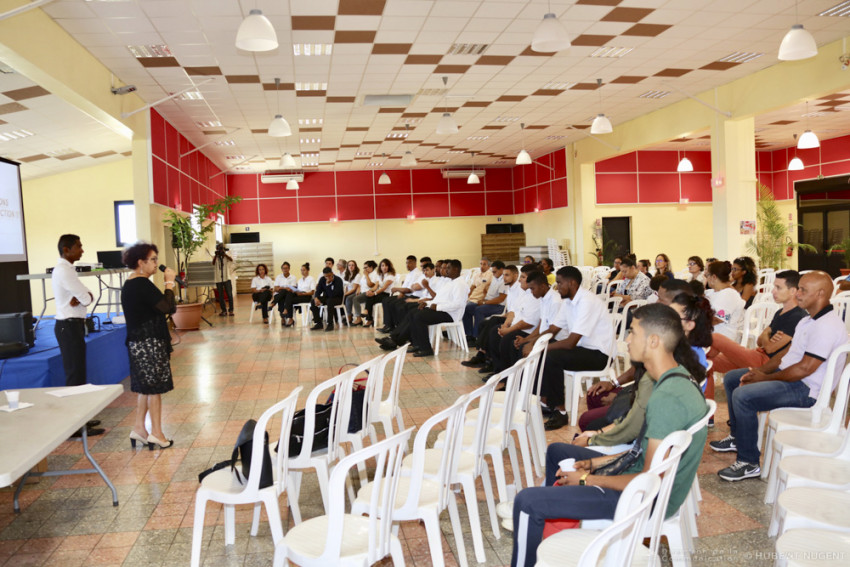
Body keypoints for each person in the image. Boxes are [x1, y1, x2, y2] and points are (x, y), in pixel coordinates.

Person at [510, 303, 708, 567]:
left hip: (640, 501)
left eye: (632, 332)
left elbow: (648, 479)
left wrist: (585, 479)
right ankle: (558, 517)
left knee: (527, 502)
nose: (626, 339)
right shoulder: (678, 379)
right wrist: (595, 463)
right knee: (558, 452)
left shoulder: (667, 398)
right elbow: (645, 452)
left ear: (653, 341)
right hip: (643, 489)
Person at [711, 271, 848, 481]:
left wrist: (764, 379)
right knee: (732, 378)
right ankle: (739, 438)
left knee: (743, 396)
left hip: (807, 390)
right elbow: (785, 356)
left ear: (820, 293)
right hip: (793, 378)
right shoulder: (808, 320)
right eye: (798, 288)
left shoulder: (826, 326)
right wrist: (762, 371)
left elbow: (804, 369)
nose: (798, 294)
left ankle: (749, 462)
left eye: (803, 290)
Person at [537, 266, 616, 430]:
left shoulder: (587, 301)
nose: (557, 287)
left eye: (559, 283)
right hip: (583, 350)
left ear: (572, 283)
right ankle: (546, 401)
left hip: (600, 355)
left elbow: (571, 342)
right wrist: (533, 342)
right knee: (543, 351)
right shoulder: (568, 302)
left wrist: (542, 347)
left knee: (551, 356)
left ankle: (560, 412)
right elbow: (553, 329)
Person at [122, 242, 177, 450]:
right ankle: (157, 433)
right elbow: (167, 307)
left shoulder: (132, 283)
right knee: (153, 389)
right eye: (152, 260)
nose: (156, 264)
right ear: (140, 262)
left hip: (140, 342)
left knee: (146, 388)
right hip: (148, 343)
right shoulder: (141, 284)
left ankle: (139, 429)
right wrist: (169, 284)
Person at [52, 234, 103, 437]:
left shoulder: (68, 270)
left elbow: (85, 297)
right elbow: (87, 297)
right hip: (68, 326)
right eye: (78, 247)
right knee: (74, 375)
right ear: (66, 249)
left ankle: (82, 418)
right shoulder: (64, 271)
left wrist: (83, 296)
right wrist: (84, 296)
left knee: (79, 373)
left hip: (72, 326)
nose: (82, 250)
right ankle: (75, 427)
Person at [707, 270, 805, 375]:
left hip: (764, 361)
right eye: (774, 287)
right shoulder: (779, 312)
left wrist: (766, 334)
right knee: (708, 362)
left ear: (793, 291)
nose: (773, 291)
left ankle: (698, 354)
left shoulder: (797, 317)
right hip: (757, 353)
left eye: (778, 288)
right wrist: (767, 336)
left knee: (716, 338)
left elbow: (770, 348)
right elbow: (759, 341)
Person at [404, 259, 469, 357]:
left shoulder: (460, 284)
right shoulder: (450, 282)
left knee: (419, 317)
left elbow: (458, 304)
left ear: (456, 269)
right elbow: (439, 299)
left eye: (448, 268)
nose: (446, 270)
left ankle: (426, 349)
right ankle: (417, 344)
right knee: (414, 312)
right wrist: (427, 303)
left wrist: (438, 307)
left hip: (450, 314)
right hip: (442, 310)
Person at [461, 264, 522, 368]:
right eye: (503, 275)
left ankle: (485, 356)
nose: (504, 278)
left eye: (507, 275)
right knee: (483, 324)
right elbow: (511, 310)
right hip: (509, 315)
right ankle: (483, 354)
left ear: (516, 275)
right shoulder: (510, 288)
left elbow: (515, 311)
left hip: (512, 317)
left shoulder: (519, 290)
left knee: (493, 324)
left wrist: (506, 321)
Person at [462, 260, 507, 339]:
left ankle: (478, 337)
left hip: (498, 306)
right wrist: (483, 300)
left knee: (479, 310)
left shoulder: (504, 281)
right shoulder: (495, 278)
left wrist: (485, 302)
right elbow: (487, 293)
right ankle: (469, 334)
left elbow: (501, 298)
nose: (493, 274)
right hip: (489, 303)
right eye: (492, 272)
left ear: (501, 270)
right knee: (467, 308)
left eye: (495, 272)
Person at [378, 255, 422, 333]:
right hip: (405, 294)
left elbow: (409, 290)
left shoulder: (417, 274)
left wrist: (397, 289)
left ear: (415, 263)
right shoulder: (410, 274)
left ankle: (397, 327)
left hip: (411, 295)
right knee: (386, 300)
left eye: (409, 263)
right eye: (406, 263)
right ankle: (389, 325)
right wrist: (401, 292)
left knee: (395, 304)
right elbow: (405, 287)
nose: (407, 265)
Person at [704, 260, 745, 342]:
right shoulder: (711, 292)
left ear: (714, 277)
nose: (705, 277)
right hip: (711, 335)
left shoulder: (729, 294)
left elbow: (716, 320)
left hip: (723, 339)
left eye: (707, 275)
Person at [363, 258, 396, 328]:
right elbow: (375, 287)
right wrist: (370, 291)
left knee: (371, 296)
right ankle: (368, 317)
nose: (384, 267)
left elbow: (384, 288)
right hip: (381, 293)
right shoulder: (380, 275)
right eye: (382, 265)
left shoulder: (391, 276)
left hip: (388, 294)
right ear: (380, 267)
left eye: (386, 266)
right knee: (369, 295)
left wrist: (374, 293)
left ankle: (368, 317)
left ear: (389, 267)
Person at [311, 267, 344, 331]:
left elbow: (333, 294)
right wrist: (316, 298)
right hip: (327, 298)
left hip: (337, 298)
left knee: (330, 301)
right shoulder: (322, 279)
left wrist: (328, 284)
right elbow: (318, 291)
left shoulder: (338, 280)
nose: (328, 278)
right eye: (326, 276)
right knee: (313, 301)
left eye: (329, 276)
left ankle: (330, 324)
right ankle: (318, 323)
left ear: (332, 273)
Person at [350, 260, 378, 325]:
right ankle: (349, 316)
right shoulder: (365, 274)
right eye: (364, 268)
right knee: (349, 298)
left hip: (369, 292)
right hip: (362, 291)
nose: (365, 269)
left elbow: (370, 285)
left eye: (366, 267)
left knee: (355, 299)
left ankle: (359, 318)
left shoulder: (375, 274)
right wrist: (358, 289)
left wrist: (366, 275)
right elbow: (360, 284)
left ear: (371, 267)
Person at [212, 242, 234, 316]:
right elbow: (213, 263)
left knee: (229, 294)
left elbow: (231, 260)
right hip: (218, 279)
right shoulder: (215, 256)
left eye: (221, 248)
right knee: (220, 296)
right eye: (219, 248)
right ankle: (223, 310)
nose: (220, 249)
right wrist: (216, 255)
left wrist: (224, 254)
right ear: (217, 249)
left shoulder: (226, 256)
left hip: (227, 278)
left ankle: (231, 310)